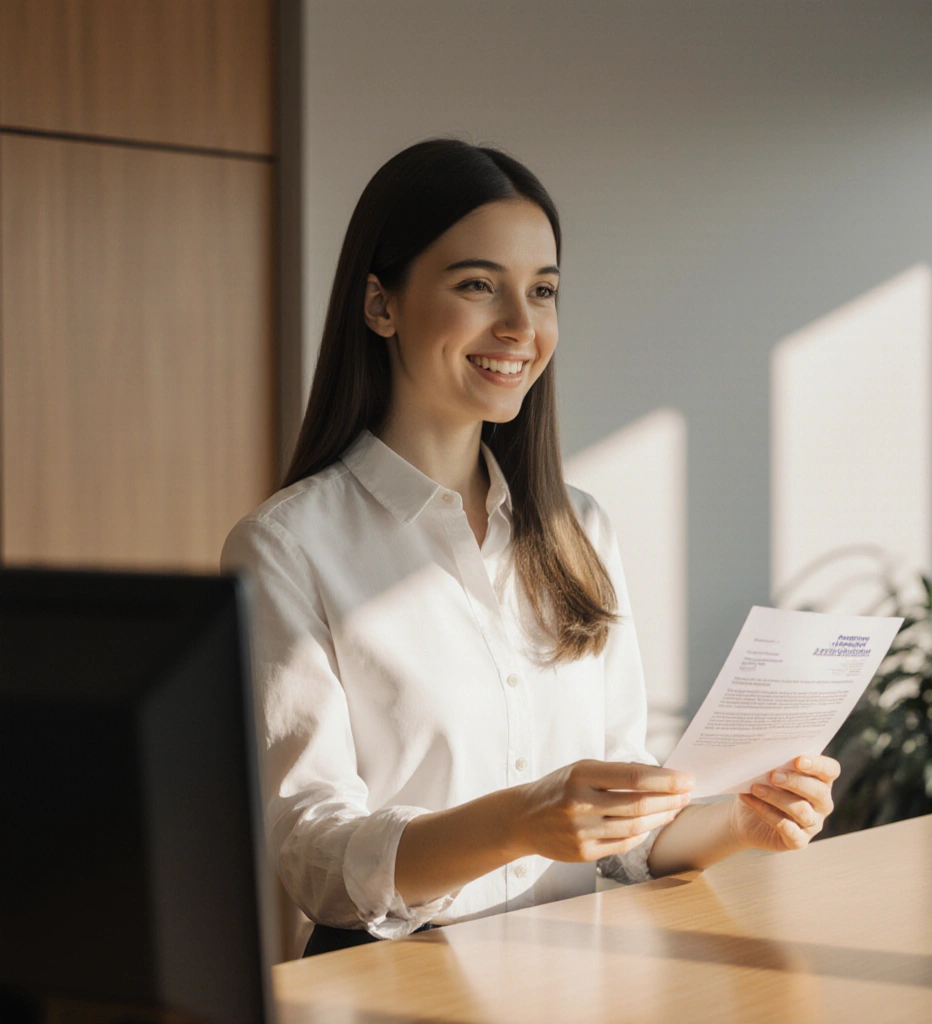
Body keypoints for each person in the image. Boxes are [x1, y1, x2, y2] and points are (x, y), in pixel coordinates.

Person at [221, 137, 840, 959]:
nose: (520, 326)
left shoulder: (578, 528)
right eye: (478, 285)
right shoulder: (286, 547)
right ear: (381, 305)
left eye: (542, 291)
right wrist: (518, 822)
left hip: (573, 980)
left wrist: (738, 823)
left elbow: (619, 833)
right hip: (396, 990)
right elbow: (315, 856)